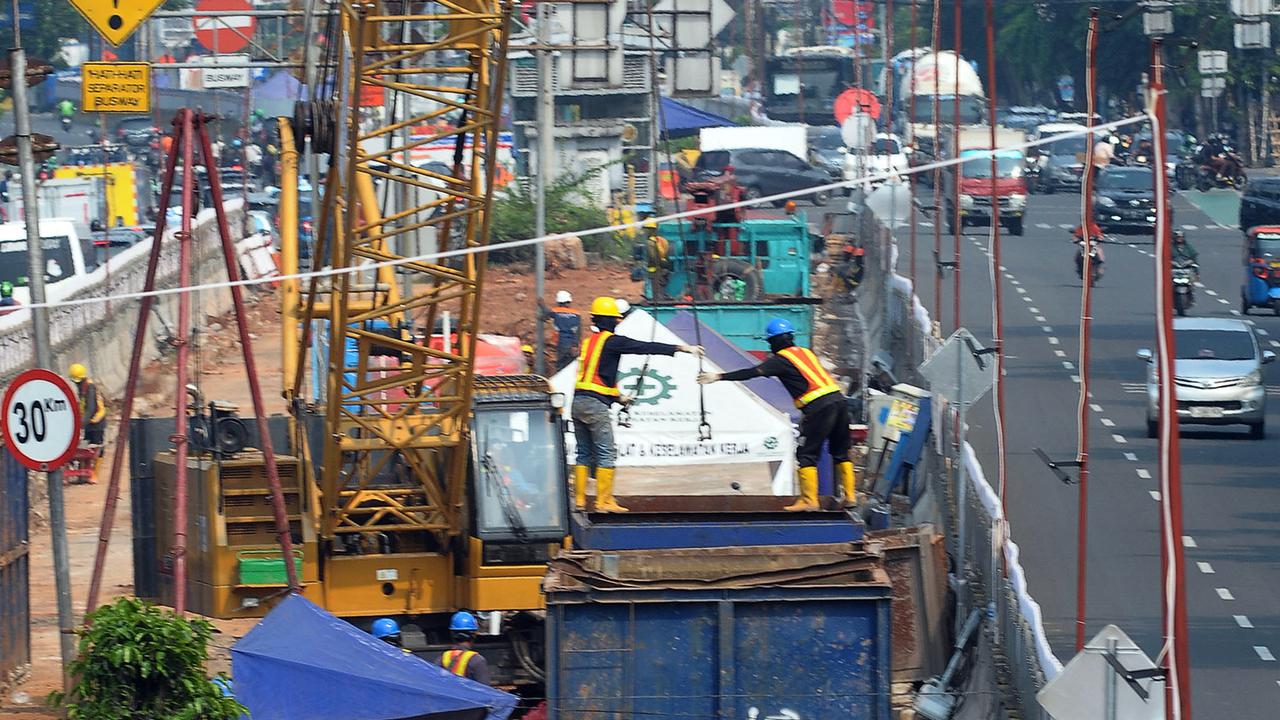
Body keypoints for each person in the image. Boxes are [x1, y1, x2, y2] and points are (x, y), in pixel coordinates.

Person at [698, 319, 856, 510]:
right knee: (840, 451)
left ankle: (809, 500)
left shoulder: (780, 360)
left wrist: (718, 377)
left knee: (806, 453)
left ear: (774, 341)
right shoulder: (805, 352)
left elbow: (752, 372)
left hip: (819, 407)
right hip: (839, 401)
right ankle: (850, 497)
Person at [573, 297, 703, 512]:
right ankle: (603, 502)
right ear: (612, 321)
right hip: (595, 405)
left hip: (577, 403)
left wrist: (619, 397)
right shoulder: (612, 341)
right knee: (606, 452)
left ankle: (579, 501)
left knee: (583, 452)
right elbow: (644, 346)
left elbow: (594, 377)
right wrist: (682, 348)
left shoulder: (589, 343)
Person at [69, 363, 107, 483]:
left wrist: (81, 425)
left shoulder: (90, 387)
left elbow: (90, 408)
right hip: (89, 423)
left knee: (97, 447)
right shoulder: (82, 387)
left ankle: (94, 475)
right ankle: (84, 475)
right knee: (86, 449)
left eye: (77, 381)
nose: (76, 383)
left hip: (97, 421)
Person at [440, 611, 491, 685]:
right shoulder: (477, 660)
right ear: (474, 635)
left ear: (452, 634)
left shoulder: (442, 658)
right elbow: (485, 691)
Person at [538, 290, 582, 372]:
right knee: (572, 367)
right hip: (573, 345)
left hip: (562, 343)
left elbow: (546, 314)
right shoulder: (577, 314)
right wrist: (575, 345)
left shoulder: (556, 311)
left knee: (561, 367)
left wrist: (542, 305)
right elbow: (578, 331)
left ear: (559, 302)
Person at [644, 221, 673, 300]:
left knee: (656, 289)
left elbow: (652, 257)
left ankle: (657, 300)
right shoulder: (660, 241)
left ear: (651, 230)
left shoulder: (650, 242)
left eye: (647, 229)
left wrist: (657, 265)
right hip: (662, 267)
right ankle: (662, 298)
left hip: (655, 269)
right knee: (661, 287)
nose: (646, 231)